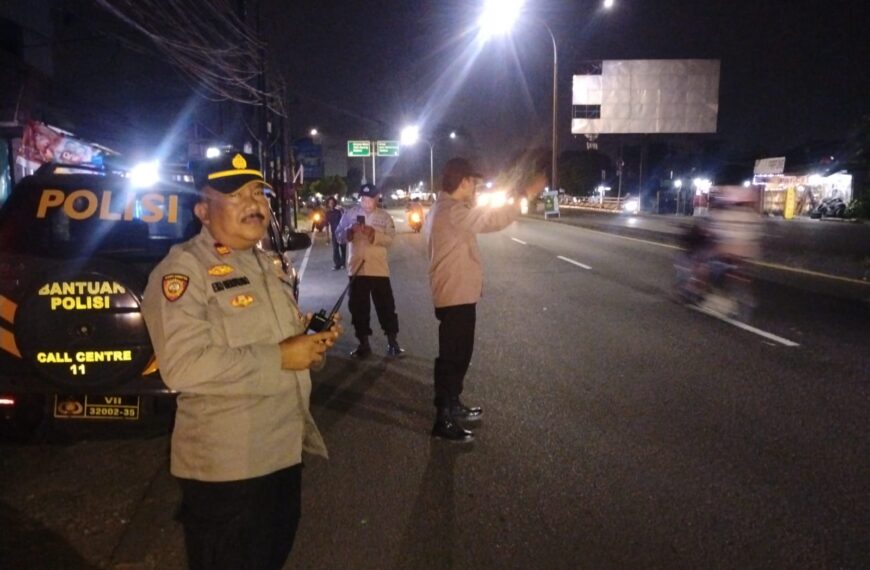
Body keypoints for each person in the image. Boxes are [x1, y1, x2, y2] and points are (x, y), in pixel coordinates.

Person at [141, 152, 342, 570]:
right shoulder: (183, 271)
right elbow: (183, 365)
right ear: (203, 210)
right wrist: (283, 356)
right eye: (235, 194)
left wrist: (309, 343)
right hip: (229, 472)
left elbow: (277, 344)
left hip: (282, 455)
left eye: (258, 192)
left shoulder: (265, 263)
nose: (255, 202)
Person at [425, 157, 546, 442]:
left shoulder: (445, 208)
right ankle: (443, 418)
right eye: (474, 183)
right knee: (452, 357)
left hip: (456, 293)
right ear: (463, 181)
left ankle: (452, 404)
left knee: (458, 354)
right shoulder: (452, 210)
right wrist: (524, 195)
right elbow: (492, 220)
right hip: (455, 295)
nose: (476, 188)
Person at [335, 183, 404, 358]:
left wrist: (373, 233)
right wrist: (350, 231)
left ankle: (392, 341)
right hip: (357, 269)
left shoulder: (384, 217)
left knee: (386, 306)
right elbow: (338, 235)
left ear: (376, 198)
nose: (366, 202)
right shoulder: (350, 214)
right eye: (363, 198)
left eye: (370, 199)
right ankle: (363, 344)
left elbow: (390, 239)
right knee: (358, 308)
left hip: (379, 269)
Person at [325, 196, 346, 270]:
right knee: (335, 249)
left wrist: (342, 210)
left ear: (335, 203)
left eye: (333, 203)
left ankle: (344, 263)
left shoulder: (338, 211)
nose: (331, 204)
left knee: (343, 248)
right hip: (334, 233)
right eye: (330, 203)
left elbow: (344, 219)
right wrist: (327, 236)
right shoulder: (327, 213)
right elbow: (326, 225)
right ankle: (337, 264)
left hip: (341, 232)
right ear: (328, 204)